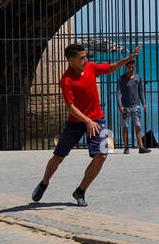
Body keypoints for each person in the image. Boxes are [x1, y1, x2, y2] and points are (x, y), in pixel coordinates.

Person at [32, 42, 141, 207]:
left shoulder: (91, 67)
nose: (86, 59)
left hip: (98, 119)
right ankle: (44, 182)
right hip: (76, 123)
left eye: (86, 56)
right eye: (82, 57)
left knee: (103, 155)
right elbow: (70, 107)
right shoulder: (66, 80)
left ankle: (80, 191)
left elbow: (110, 67)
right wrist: (87, 120)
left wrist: (129, 58)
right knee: (58, 156)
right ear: (71, 60)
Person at [117, 58, 150, 154]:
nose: (131, 69)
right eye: (129, 67)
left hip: (136, 106)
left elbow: (141, 91)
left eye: (133, 67)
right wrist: (120, 106)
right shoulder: (121, 79)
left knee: (138, 126)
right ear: (126, 67)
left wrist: (144, 103)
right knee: (125, 128)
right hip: (125, 107)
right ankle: (126, 147)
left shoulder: (138, 77)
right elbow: (118, 93)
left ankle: (141, 147)